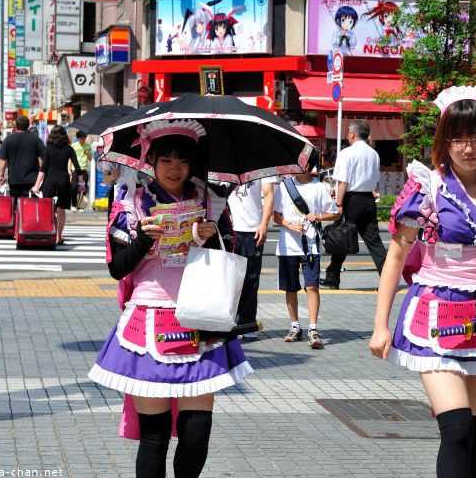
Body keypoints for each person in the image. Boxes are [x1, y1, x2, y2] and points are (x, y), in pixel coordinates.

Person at [369, 86, 476, 478]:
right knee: (457, 428)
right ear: (444, 142)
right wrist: (380, 325)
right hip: (434, 311)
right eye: (458, 138)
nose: (469, 147)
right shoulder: (425, 187)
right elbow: (395, 259)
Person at [88, 119, 253, 478]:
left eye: (182, 160)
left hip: (201, 317)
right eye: (166, 160)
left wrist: (208, 236)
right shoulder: (132, 201)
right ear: (152, 160)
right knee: (155, 437)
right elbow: (117, 269)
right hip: (148, 320)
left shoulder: (209, 199)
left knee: (197, 434)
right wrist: (144, 239)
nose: (174, 168)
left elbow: (232, 251)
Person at [273, 149, 340, 348]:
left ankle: (312, 328)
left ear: (308, 166)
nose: (294, 166)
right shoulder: (284, 187)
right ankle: (295, 326)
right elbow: (275, 215)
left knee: (312, 287)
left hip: (311, 246)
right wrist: (288, 225)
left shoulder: (319, 188)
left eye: (299, 163)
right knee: (290, 287)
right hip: (287, 246)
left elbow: (335, 214)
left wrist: (317, 217)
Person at [322, 119, 387, 289]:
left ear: (352, 134)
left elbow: (342, 182)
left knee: (342, 236)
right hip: (368, 199)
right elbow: (375, 179)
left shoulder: (347, 153)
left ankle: (333, 278)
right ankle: (387, 279)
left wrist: (338, 203)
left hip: (351, 199)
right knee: (374, 242)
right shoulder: (374, 154)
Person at [227, 176, 279, 341]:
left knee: (250, 278)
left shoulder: (262, 164)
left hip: (252, 228)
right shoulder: (221, 159)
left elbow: (269, 193)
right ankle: (226, 322)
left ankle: (247, 322)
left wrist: (264, 223)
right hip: (228, 227)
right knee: (227, 278)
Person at [31, 125, 85, 246]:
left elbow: (43, 168)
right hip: (63, 181)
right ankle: (58, 236)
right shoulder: (69, 149)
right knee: (61, 210)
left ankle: (49, 233)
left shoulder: (48, 149)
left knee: (49, 208)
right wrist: (81, 183)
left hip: (50, 180)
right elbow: (77, 167)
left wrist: (36, 185)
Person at [0, 115, 45, 203]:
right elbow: (45, 158)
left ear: (16, 125)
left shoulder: (8, 140)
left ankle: (16, 216)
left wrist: (1, 175)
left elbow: (3, 160)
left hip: (14, 179)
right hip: (31, 179)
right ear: (28, 125)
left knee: (15, 205)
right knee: (29, 206)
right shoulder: (36, 140)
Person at [71, 130, 92, 212]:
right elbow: (70, 159)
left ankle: (81, 206)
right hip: (75, 170)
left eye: (84, 138)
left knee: (83, 188)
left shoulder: (88, 146)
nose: (83, 140)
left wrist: (87, 154)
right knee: (74, 187)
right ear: (78, 138)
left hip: (84, 169)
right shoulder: (74, 146)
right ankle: (73, 204)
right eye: (81, 138)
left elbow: (90, 159)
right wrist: (69, 169)